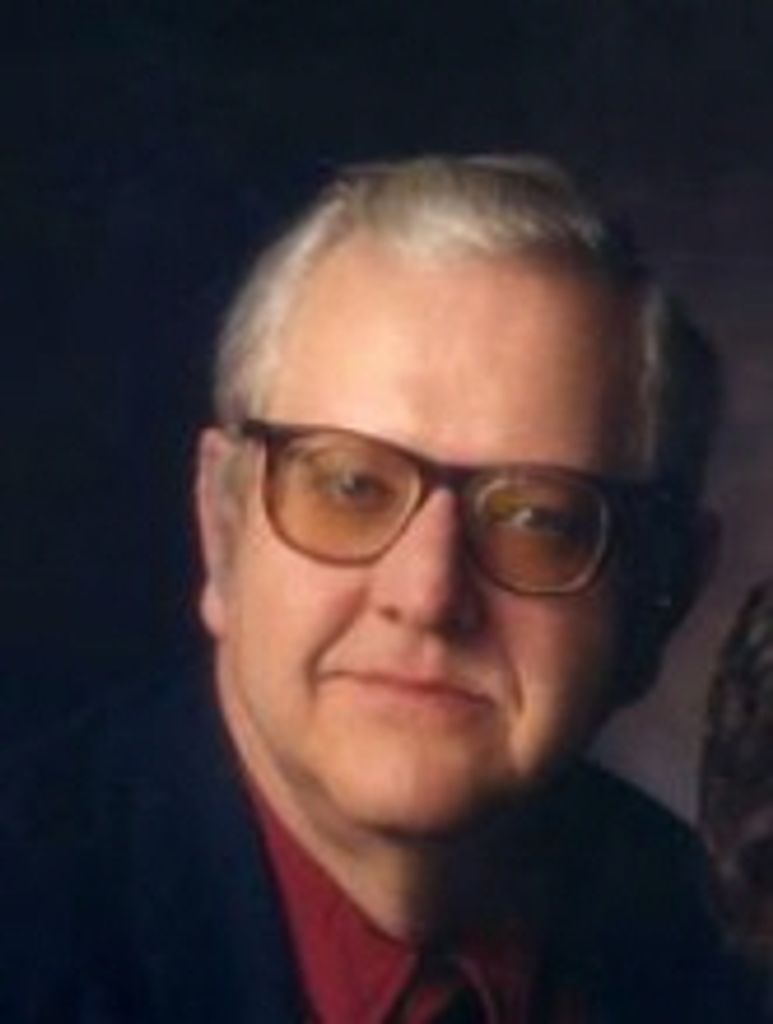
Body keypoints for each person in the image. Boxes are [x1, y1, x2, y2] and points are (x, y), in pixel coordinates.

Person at [0, 154, 757, 1022]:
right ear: (222, 527)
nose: (427, 595)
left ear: (665, 591)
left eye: (535, 518)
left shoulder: (735, 966)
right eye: (349, 486)